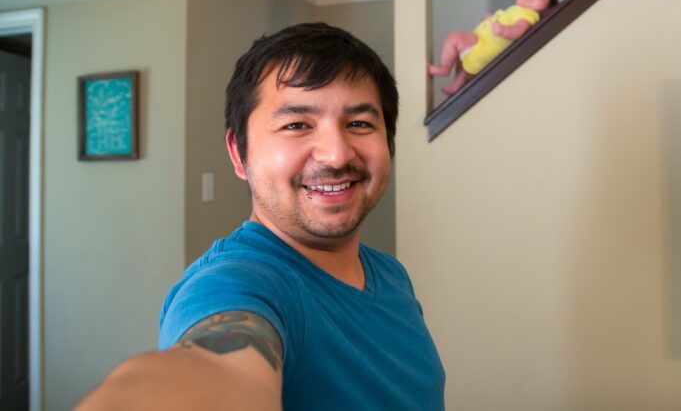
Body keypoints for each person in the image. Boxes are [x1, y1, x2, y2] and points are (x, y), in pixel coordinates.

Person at [77, 23, 445, 410]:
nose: (337, 154)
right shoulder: (236, 286)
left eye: (359, 123)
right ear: (239, 154)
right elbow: (211, 370)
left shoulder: (391, 275)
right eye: (296, 125)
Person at [429, 0, 558, 96]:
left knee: (454, 38)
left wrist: (504, 30)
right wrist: (491, 19)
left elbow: (520, 28)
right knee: (462, 63)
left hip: (483, 45)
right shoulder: (514, 10)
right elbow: (502, 21)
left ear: (548, 6)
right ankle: (456, 86)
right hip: (481, 42)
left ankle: (444, 68)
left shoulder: (529, 15)